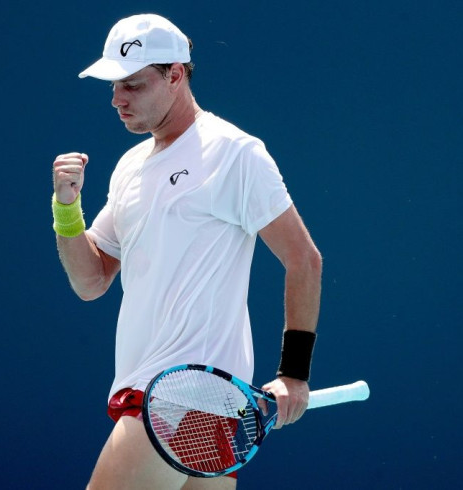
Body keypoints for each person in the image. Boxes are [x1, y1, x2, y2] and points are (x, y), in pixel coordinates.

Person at [51, 14, 322, 490]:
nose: (117, 99)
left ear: (175, 75)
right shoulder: (130, 167)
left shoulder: (235, 152)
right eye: (114, 85)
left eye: (133, 85)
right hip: (201, 407)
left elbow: (304, 258)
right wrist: (67, 209)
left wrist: (294, 374)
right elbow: (91, 281)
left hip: (176, 397)